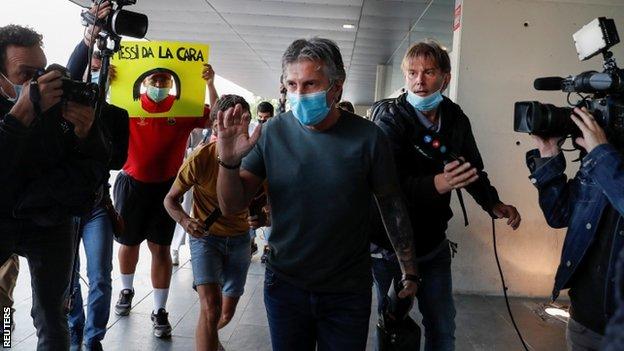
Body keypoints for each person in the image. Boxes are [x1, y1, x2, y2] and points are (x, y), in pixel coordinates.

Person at [215, 37, 419, 351]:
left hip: (347, 291)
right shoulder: (271, 133)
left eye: (311, 84)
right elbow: (232, 206)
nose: (299, 93)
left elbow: (392, 206)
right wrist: (228, 162)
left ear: (337, 86)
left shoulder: (369, 138)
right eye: (292, 84)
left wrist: (409, 270)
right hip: (286, 286)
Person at [371, 40, 521, 351]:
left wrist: (493, 203)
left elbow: (471, 168)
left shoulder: (454, 118)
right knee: (391, 325)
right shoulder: (391, 120)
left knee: (442, 327)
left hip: (433, 244)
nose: (419, 81)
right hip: (388, 249)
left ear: (446, 77)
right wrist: (436, 183)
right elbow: (386, 187)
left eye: (428, 72)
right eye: (412, 73)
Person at [0, 24, 109, 350]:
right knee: (3, 304)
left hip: (49, 220)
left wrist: (88, 134)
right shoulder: (23, 107)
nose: (37, 83)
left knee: (51, 314)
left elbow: (96, 165)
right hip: (3, 217)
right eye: (25, 75)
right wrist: (19, 117)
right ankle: (5, 339)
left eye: (42, 72)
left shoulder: (60, 104)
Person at [112, 57, 218, 338]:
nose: (159, 85)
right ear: (144, 82)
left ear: (171, 84)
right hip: (131, 184)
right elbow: (97, 110)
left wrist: (210, 83)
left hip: (166, 189)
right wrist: (104, 79)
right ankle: (126, 289)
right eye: (154, 80)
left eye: (164, 81)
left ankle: (159, 309)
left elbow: (217, 117)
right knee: (128, 242)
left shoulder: (183, 109)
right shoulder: (127, 105)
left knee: (160, 248)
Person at [528, 107, 624, 350]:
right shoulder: (604, 157)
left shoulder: (604, 158)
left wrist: (601, 155)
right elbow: (560, 214)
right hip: (585, 321)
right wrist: (549, 155)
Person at [64, 3, 130, 349]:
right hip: (64, 205)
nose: (94, 74)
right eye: (90, 66)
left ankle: (93, 340)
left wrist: (93, 131)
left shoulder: (116, 116)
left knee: (101, 277)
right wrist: (89, 35)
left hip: (96, 203)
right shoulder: (61, 111)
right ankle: (74, 332)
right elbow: (71, 72)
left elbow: (117, 158)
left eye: (100, 69)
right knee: (67, 277)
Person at [164, 94, 253, 351]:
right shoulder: (200, 158)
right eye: (224, 124)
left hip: (239, 239)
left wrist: (262, 215)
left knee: (224, 314)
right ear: (214, 127)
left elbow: (264, 201)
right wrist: (185, 221)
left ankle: (211, 342)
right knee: (210, 307)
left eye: (239, 123)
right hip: (206, 239)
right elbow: (169, 200)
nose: (232, 131)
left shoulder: (257, 159)